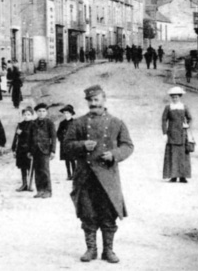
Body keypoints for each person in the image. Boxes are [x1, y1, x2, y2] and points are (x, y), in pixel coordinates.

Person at [64, 85, 134, 263]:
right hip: (85, 177)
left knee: (108, 214)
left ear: (104, 100)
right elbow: (66, 146)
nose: (93, 104)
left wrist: (114, 154)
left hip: (108, 175)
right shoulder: (78, 123)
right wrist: (81, 146)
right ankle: (91, 249)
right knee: (87, 213)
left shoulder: (116, 122)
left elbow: (127, 146)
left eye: (96, 100)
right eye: (90, 100)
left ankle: (108, 250)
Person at [162, 86, 192, 183]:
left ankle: (183, 176)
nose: (175, 99)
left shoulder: (184, 107)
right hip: (171, 134)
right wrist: (164, 133)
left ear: (180, 97)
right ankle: (173, 176)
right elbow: (163, 120)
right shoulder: (168, 107)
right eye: (173, 97)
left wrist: (187, 125)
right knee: (172, 155)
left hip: (182, 134)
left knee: (183, 155)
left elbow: (190, 118)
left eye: (177, 97)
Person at [29, 103, 56, 198]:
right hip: (35, 150)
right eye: (39, 111)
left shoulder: (49, 123)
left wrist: (53, 151)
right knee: (37, 171)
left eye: (43, 111)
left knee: (45, 170)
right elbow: (29, 137)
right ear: (36, 112)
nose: (41, 113)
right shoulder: (33, 123)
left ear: (46, 112)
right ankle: (40, 190)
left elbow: (53, 137)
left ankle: (48, 191)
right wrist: (29, 151)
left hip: (45, 150)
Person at [12, 106, 36, 192]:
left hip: (29, 149)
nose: (26, 116)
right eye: (25, 114)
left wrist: (23, 133)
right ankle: (24, 184)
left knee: (30, 167)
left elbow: (34, 138)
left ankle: (30, 185)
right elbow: (16, 137)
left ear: (32, 115)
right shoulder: (20, 124)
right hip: (20, 149)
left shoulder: (34, 124)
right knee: (22, 167)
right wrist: (14, 148)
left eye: (28, 114)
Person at [56, 104, 77, 180]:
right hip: (64, 144)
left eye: (68, 113)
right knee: (67, 159)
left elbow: (78, 133)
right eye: (65, 113)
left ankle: (74, 174)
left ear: (71, 114)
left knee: (73, 159)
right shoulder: (62, 123)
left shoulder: (75, 122)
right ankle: (69, 174)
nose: (66, 115)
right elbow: (58, 133)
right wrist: (61, 138)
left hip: (72, 144)